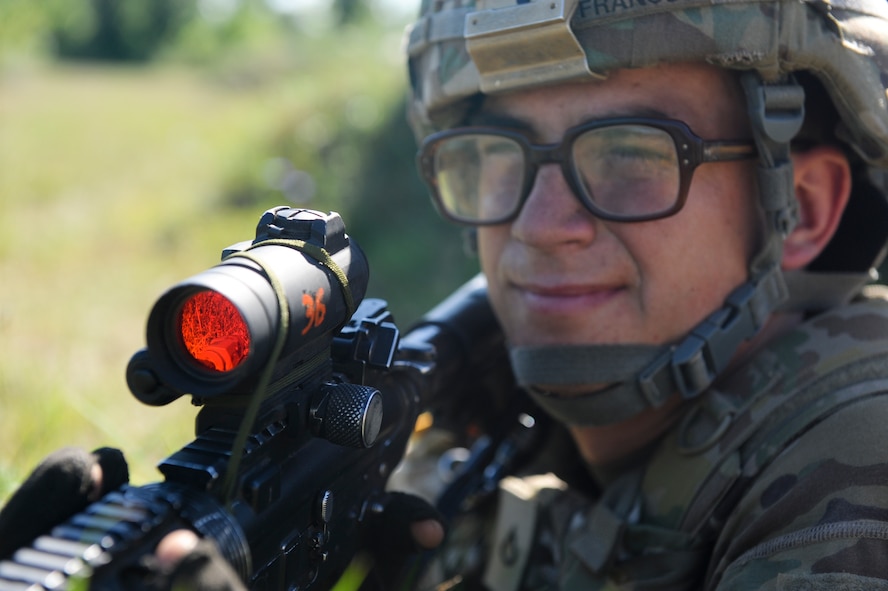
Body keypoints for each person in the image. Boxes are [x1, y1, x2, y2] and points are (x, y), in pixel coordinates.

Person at [3, 0, 888, 589]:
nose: (540, 225)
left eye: (629, 154)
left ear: (802, 209)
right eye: (497, 156)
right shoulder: (487, 428)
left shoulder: (858, 458)